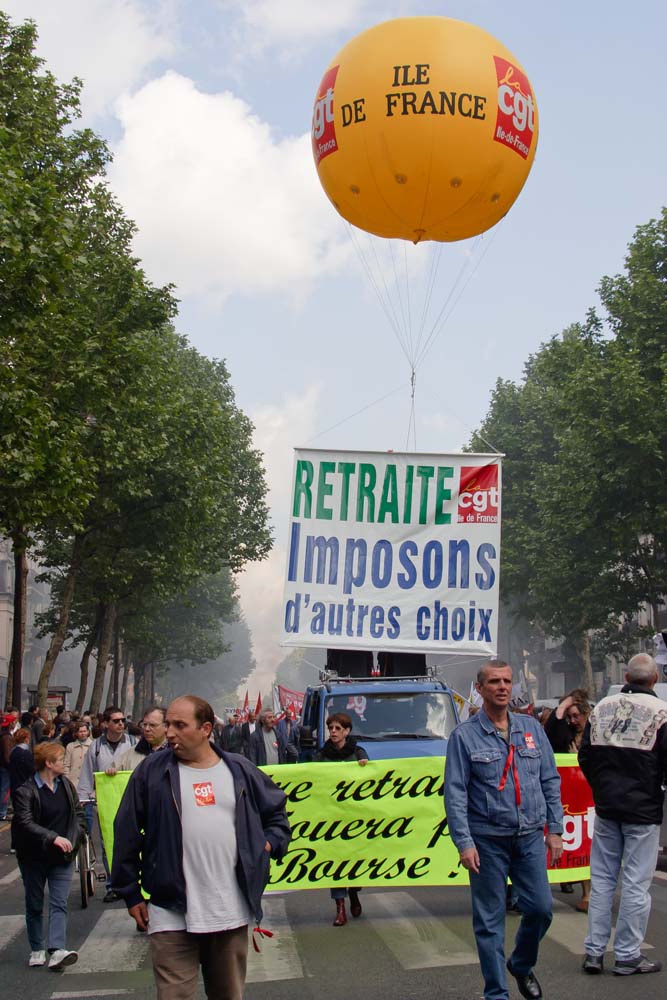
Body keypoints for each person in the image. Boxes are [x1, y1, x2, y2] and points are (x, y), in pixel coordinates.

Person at [111, 695, 291, 1000]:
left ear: (206, 728)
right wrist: (130, 892)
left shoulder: (239, 769)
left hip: (229, 913)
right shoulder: (151, 772)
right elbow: (126, 831)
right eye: (167, 724)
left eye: (180, 725)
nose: (169, 732)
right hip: (170, 911)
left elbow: (276, 813)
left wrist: (269, 844)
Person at [444, 661, 563, 1000]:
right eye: (494, 681)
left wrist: (555, 829)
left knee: (541, 909)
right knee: (489, 922)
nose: (502, 687)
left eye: (507, 681)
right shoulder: (463, 736)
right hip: (486, 841)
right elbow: (455, 793)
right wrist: (464, 843)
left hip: (528, 838)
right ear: (479, 689)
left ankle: (521, 964)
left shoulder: (531, 729)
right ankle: (497, 994)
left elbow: (550, 779)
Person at [579, 653, 667, 976]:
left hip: (607, 808)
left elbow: (584, 757)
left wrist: (602, 788)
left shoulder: (601, 708)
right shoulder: (662, 713)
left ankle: (593, 951)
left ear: (627, 679)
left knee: (601, 880)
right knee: (635, 883)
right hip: (643, 812)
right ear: (655, 679)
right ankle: (628, 954)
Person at [12, 741, 86, 970]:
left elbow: (79, 814)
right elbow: (25, 822)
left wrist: (74, 840)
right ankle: (37, 947)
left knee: (59, 903)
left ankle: (56, 950)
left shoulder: (65, 785)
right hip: (33, 856)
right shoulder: (25, 791)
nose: (64, 763)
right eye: (61, 760)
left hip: (62, 856)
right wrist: (52, 837)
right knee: (34, 903)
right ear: (48, 763)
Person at [313, 712, 368, 926]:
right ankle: (340, 907)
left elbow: (372, 781)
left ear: (347, 731)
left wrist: (365, 767)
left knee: (354, 861)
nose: (333, 732)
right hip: (331, 816)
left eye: (338, 728)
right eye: (331, 728)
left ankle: (353, 891)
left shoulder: (357, 752)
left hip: (354, 817)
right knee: (335, 861)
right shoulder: (321, 755)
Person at [77, 705, 136, 901]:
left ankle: (135, 881)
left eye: (123, 721)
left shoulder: (133, 743)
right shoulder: (95, 747)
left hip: (131, 801)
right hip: (107, 803)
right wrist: (83, 798)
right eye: (116, 721)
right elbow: (87, 774)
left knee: (133, 842)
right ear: (106, 724)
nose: (121, 724)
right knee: (108, 843)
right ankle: (113, 885)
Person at [544, 689, 592, 912]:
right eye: (569, 716)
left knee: (587, 847)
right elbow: (551, 731)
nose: (573, 721)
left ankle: (588, 895)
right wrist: (563, 706)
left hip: (590, 803)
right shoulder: (566, 736)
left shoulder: (596, 733)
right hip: (568, 800)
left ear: (586, 713)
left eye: (576, 716)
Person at [117, 706, 168, 770]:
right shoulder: (131, 754)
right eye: (144, 725)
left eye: (152, 725)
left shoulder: (176, 754)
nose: (146, 729)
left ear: (166, 726)